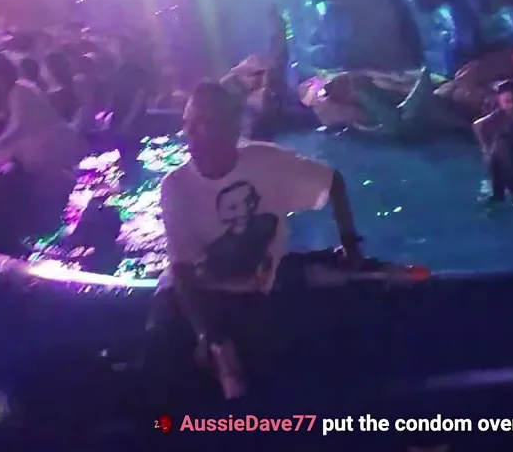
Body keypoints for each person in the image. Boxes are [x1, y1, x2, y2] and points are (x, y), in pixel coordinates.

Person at [153, 82, 365, 399]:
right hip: (204, 292)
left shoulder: (266, 163)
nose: (191, 135)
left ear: (232, 128)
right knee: (161, 335)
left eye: (205, 123)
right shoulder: (176, 187)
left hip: (261, 287)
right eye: (188, 124)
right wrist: (211, 336)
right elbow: (182, 270)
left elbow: (332, 181)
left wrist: (350, 244)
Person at [0, 53, 88, 229]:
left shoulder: (19, 91)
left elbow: (17, 128)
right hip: (45, 144)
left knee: (50, 190)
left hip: (47, 146)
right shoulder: (20, 88)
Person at [473, 80, 513, 204]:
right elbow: (477, 125)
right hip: (499, 159)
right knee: (498, 195)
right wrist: (485, 149)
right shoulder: (498, 116)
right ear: (500, 102)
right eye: (507, 102)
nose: (512, 105)